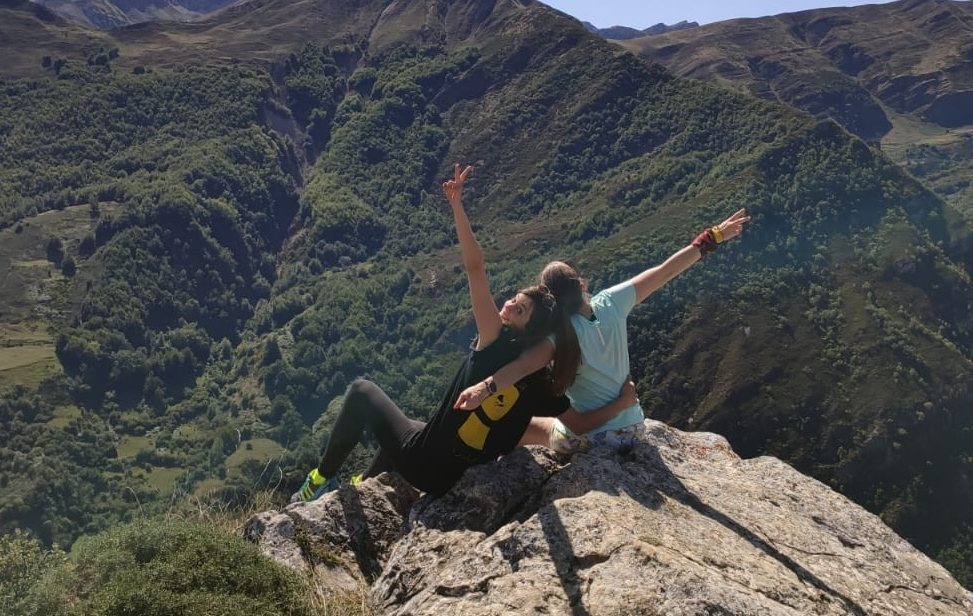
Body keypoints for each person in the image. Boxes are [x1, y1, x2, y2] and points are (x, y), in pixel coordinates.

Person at [291, 164, 637, 501]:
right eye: (512, 301)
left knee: (362, 391)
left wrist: (457, 205)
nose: (505, 307)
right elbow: (577, 422)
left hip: (425, 469)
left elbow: (475, 268)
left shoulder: (493, 341)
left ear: (527, 327)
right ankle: (367, 483)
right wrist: (622, 403)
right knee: (414, 426)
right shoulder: (541, 380)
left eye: (516, 309)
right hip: (455, 480)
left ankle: (320, 481)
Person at [453, 207, 749, 456]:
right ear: (581, 285)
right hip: (635, 428)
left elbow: (519, 368)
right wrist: (714, 236)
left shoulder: (557, 339)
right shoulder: (612, 302)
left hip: (592, 440)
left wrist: (483, 389)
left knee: (521, 427)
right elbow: (666, 271)